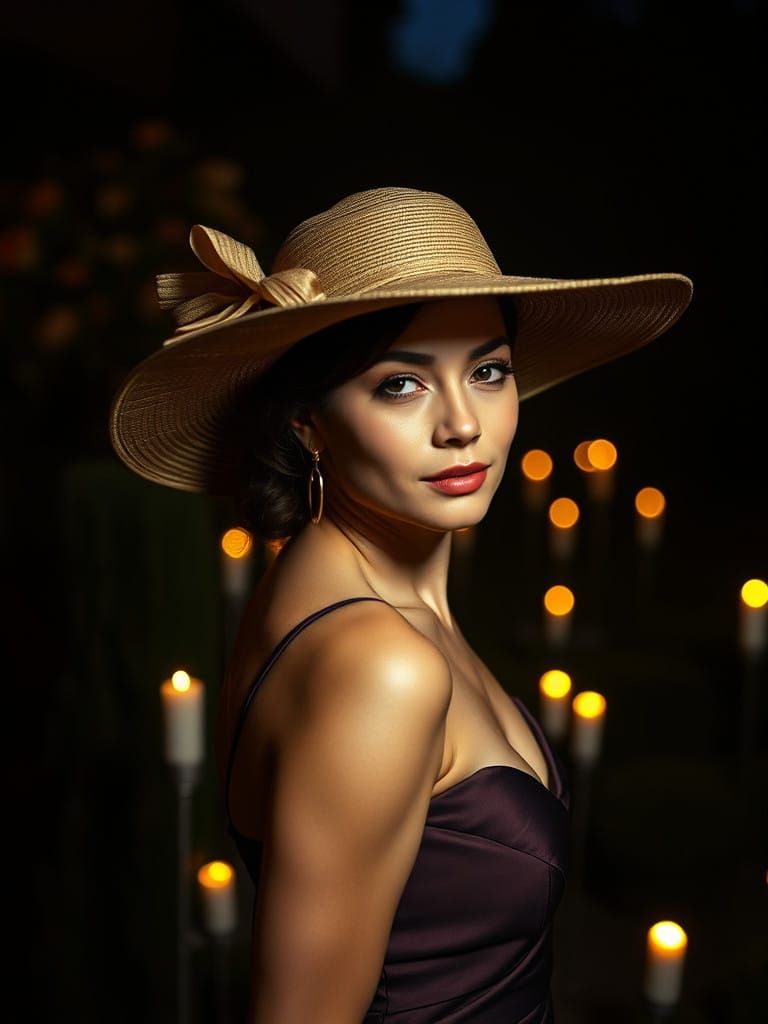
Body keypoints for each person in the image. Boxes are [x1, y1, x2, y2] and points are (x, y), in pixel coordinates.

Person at [109, 186, 692, 1023]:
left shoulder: (337, 586)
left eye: (488, 371)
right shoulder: (379, 667)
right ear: (308, 422)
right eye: (400, 386)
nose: (463, 424)